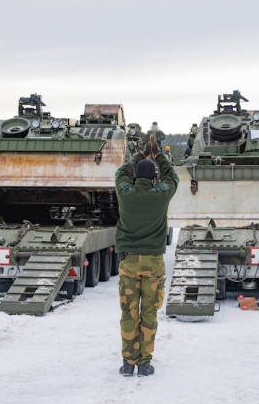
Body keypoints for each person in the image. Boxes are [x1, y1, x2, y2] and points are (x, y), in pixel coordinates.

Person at [114, 134, 179, 377]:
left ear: (135, 176)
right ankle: (144, 364)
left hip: (129, 262)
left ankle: (127, 363)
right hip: (153, 263)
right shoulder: (161, 194)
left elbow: (121, 174)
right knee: (149, 313)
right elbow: (172, 177)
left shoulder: (125, 194)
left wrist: (139, 155)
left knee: (128, 312)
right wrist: (159, 155)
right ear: (153, 178)